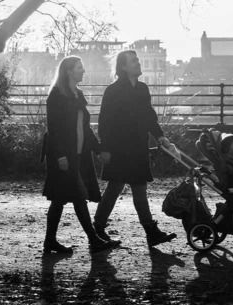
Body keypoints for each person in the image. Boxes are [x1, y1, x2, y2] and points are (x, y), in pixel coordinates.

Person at [93, 49, 177, 247]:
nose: (138, 63)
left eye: (137, 60)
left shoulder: (142, 89)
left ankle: (101, 227)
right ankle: (145, 231)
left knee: (128, 188)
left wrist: (160, 136)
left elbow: (149, 116)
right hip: (119, 147)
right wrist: (104, 148)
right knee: (120, 188)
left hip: (138, 147)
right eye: (134, 61)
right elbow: (104, 121)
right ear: (123, 66)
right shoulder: (112, 91)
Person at [42, 56, 119, 255]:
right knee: (77, 197)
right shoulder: (57, 95)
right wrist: (60, 156)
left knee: (60, 199)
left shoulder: (77, 94)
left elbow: (84, 129)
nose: (83, 71)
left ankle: (50, 241)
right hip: (64, 156)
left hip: (77, 155)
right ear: (69, 71)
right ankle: (93, 239)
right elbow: (54, 129)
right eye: (79, 67)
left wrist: (97, 149)